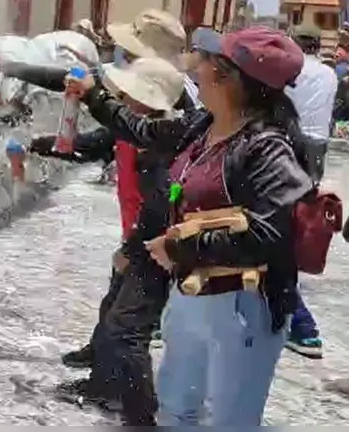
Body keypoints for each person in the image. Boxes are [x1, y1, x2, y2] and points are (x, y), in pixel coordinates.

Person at [67, 27, 311, 425]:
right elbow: (140, 129)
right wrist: (93, 95)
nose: (197, 68)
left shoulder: (268, 148)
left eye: (207, 61)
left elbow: (268, 234)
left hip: (244, 305)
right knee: (175, 413)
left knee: (229, 422)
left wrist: (179, 247)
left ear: (228, 78)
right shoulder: (203, 126)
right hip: (192, 295)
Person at [0, 8, 195, 370]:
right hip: (137, 218)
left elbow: (164, 194)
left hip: (156, 230)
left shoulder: (169, 110)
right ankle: (100, 355)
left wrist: (136, 245)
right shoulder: (138, 94)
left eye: (132, 49)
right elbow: (96, 128)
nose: (122, 57)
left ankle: (123, 390)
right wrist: (42, 142)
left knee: (129, 322)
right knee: (117, 298)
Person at [49, 58, 184, 425]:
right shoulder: (141, 131)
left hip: (154, 248)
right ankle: (105, 387)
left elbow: (160, 206)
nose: (122, 96)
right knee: (113, 314)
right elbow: (92, 142)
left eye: (129, 92)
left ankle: (139, 415)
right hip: (140, 239)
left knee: (128, 330)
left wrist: (132, 249)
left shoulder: (158, 143)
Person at [282, 24, 337, 359]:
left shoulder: (296, 70)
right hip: (319, 143)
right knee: (305, 203)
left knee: (287, 209)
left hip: (296, 141)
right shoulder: (329, 73)